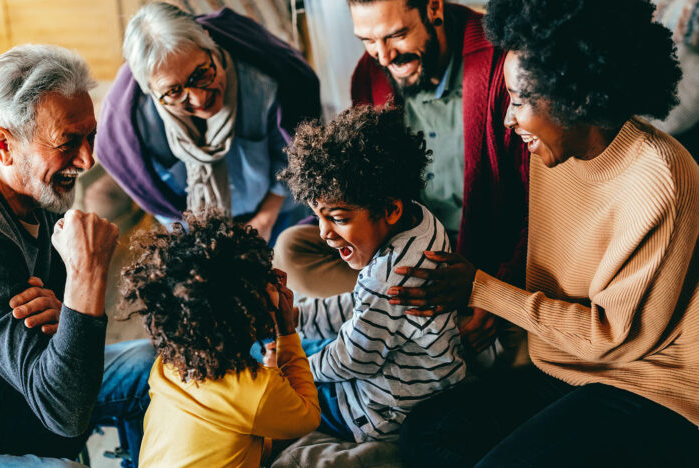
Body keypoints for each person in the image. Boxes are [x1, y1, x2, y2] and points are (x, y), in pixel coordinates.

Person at [395, 0, 699, 466]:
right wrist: (487, 297)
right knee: (425, 434)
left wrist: (483, 288)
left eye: (518, 100)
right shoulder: (551, 153)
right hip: (565, 365)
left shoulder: (661, 178)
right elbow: (546, 257)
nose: (506, 119)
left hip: (653, 383)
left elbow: (613, 338)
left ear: (574, 92)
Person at [0, 45, 154, 467]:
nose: (87, 159)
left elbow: (60, 337)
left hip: (14, 392)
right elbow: (65, 412)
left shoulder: (34, 192)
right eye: (68, 142)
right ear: (3, 145)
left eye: (91, 136)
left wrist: (67, 311)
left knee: (153, 367)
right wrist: (87, 274)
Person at [273, 0, 529, 355]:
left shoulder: (502, 64)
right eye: (367, 40)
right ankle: (409, 316)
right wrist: (333, 218)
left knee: (523, 350)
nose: (383, 55)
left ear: (434, 8)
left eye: (397, 35)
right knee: (291, 249)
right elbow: (360, 184)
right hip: (403, 250)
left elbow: (541, 206)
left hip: (483, 261)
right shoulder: (369, 73)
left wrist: (495, 291)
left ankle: (413, 320)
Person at [279, 105, 468, 442]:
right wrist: (298, 316)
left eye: (337, 217)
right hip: (421, 382)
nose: (323, 232)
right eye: (318, 217)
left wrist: (296, 371)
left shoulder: (387, 277)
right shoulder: (423, 222)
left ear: (390, 209)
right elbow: (361, 306)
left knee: (267, 364)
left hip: (375, 412)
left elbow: (355, 357)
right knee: (297, 339)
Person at [95, 2, 320, 245]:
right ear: (149, 90)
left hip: (279, 210)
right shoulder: (138, 128)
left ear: (210, 44)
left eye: (201, 74)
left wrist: (265, 220)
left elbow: (288, 156)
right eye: (174, 91)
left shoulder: (260, 84)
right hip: (196, 229)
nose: (199, 99)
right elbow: (159, 198)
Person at [120, 210, 320, 467]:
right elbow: (309, 416)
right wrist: (286, 329)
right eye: (264, 280)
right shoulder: (258, 391)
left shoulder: (170, 364)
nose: (273, 280)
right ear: (244, 312)